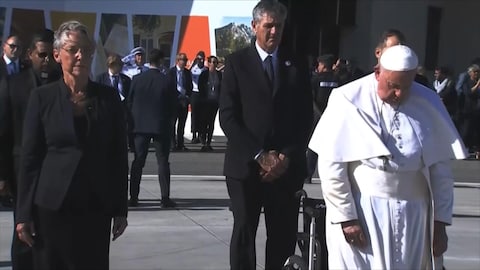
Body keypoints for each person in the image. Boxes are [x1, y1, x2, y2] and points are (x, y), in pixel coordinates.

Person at [309, 45, 467, 269]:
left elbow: (440, 171)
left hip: (414, 216)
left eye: (406, 86)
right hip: (364, 214)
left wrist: (439, 223)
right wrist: (347, 217)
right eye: (393, 86)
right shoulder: (347, 99)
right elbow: (331, 166)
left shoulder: (428, 102)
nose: (400, 94)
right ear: (377, 73)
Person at [15, 20, 128, 269]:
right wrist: (23, 214)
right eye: (72, 50)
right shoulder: (42, 98)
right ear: (57, 55)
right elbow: (30, 158)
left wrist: (121, 207)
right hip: (52, 207)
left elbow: (117, 156)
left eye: (86, 50)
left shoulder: (108, 98)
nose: (80, 56)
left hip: (95, 206)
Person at [219, 1, 312, 269]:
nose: (274, 32)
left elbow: (306, 116)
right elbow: (228, 116)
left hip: (286, 168)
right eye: (268, 26)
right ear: (254, 26)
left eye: (279, 26)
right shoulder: (237, 63)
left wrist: (285, 156)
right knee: (244, 232)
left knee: (283, 235)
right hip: (246, 167)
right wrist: (260, 155)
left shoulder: (296, 63)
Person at [0, 29, 61, 270]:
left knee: (52, 228)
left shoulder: (62, 84)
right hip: (20, 170)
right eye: (42, 55)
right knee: (23, 226)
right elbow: (3, 133)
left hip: (54, 169)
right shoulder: (12, 85)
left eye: (51, 56)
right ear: (30, 55)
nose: (47, 61)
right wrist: (2, 175)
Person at [127, 49, 176, 208]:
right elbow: (172, 105)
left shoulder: (137, 79)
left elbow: (130, 101)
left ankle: (133, 197)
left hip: (140, 126)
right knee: (162, 162)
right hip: (160, 125)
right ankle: (165, 197)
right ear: (161, 61)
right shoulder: (167, 80)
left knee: (138, 161)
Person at [305, 54, 338, 183]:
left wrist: (319, 113)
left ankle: (308, 175)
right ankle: (332, 176)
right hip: (333, 118)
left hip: (317, 117)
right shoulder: (338, 80)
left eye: (319, 64)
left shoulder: (315, 80)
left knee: (313, 146)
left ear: (323, 65)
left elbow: (311, 99)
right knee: (333, 147)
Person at [95, 53, 133, 151]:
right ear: (111, 65)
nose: (121, 67)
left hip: (122, 109)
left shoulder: (126, 79)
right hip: (106, 109)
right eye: (119, 65)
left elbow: (129, 95)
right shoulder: (101, 78)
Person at [169, 52, 193, 151]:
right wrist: (177, 95)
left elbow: (190, 86)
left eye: (185, 60)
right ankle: (172, 144)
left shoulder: (187, 73)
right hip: (174, 101)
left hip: (184, 101)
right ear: (178, 61)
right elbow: (169, 86)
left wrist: (187, 96)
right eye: (182, 60)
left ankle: (181, 144)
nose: (184, 62)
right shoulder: (171, 72)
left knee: (182, 124)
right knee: (172, 123)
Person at [198, 55, 222, 151]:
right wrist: (203, 98)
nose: (214, 64)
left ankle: (208, 142)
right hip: (206, 101)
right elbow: (200, 87)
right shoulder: (204, 74)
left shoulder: (219, 74)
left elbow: (221, 86)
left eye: (216, 62)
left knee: (211, 122)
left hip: (215, 101)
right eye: (212, 62)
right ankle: (203, 140)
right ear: (208, 63)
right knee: (204, 121)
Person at [190, 50, 208, 144]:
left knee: (202, 115)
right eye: (199, 58)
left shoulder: (205, 69)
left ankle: (201, 134)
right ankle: (194, 135)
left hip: (203, 94)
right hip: (194, 93)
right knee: (194, 115)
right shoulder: (193, 69)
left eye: (202, 58)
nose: (200, 60)